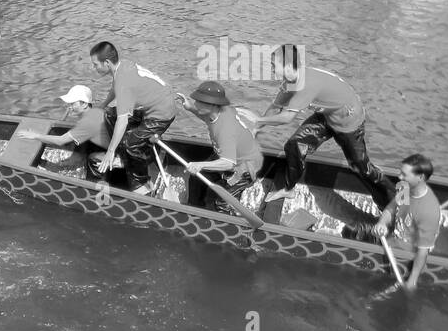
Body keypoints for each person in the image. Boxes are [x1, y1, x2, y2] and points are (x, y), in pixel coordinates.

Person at [248, 44, 393, 210]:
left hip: (349, 121)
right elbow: (276, 107)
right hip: (327, 115)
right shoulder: (291, 81)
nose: (272, 69)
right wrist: (256, 128)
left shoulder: (306, 84)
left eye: (274, 65)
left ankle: (392, 202)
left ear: (288, 66)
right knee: (295, 145)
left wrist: (258, 121)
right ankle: (289, 189)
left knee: (362, 168)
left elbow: (287, 118)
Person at [88, 41, 176, 195]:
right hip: (154, 103)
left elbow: (123, 121)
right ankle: (123, 157)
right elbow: (114, 90)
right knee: (109, 114)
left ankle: (142, 183)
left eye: (95, 64)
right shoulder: (122, 67)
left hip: (162, 113)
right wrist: (102, 106)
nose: (93, 68)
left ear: (107, 63)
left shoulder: (124, 82)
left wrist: (110, 151)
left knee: (131, 144)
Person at [358, 154, 443, 294]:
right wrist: (381, 223)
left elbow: (423, 252)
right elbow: (390, 210)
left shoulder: (429, 211)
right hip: (390, 238)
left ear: (420, 177)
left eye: (404, 174)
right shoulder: (405, 188)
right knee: (352, 230)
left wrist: (413, 280)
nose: (399, 177)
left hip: (404, 253)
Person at [177, 81, 265, 212]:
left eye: (200, 102)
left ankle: (227, 225)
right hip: (227, 153)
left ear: (213, 105)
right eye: (197, 100)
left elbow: (228, 163)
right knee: (197, 177)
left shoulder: (225, 129)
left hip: (244, 167)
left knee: (222, 204)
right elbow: (207, 118)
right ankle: (195, 210)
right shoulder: (220, 112)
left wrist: (200, 164)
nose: (196, 104)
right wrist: (190, 108)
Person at [16, 84, 110, 178]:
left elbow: (60, 141)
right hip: (109, 145)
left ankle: (94, 183)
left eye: (73, 103)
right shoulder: (96, 111)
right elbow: (61, 127)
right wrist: (67, 113)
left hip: (117, 155)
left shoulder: (87, 122)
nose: (70, 106)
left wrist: (35, 136)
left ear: (84, 104)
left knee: (92, 158)